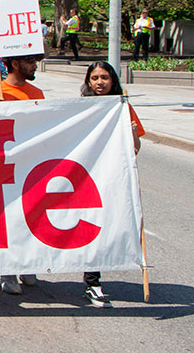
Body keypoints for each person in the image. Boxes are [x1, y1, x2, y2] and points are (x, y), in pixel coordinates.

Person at [79, 61, 143, 307]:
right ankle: (92, 281)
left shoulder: (123, 108)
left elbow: (134, 150)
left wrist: (133, 133)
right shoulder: (81, 108)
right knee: (89, 227)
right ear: (88, 81)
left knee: (106, 226)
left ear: (113, 80)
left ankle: (94, 279)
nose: (99, 82)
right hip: (86, 179)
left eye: (104, 77)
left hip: (112, 178)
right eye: (94, 78)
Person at [0, 54, 45, 295]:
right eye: (31, 62)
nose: (35, 66)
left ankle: (27, 262)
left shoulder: (37, 94)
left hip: (29, 165)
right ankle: (7, 271)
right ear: (16, 64)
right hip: (3, 167)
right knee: (8, 218)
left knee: (30, 214)